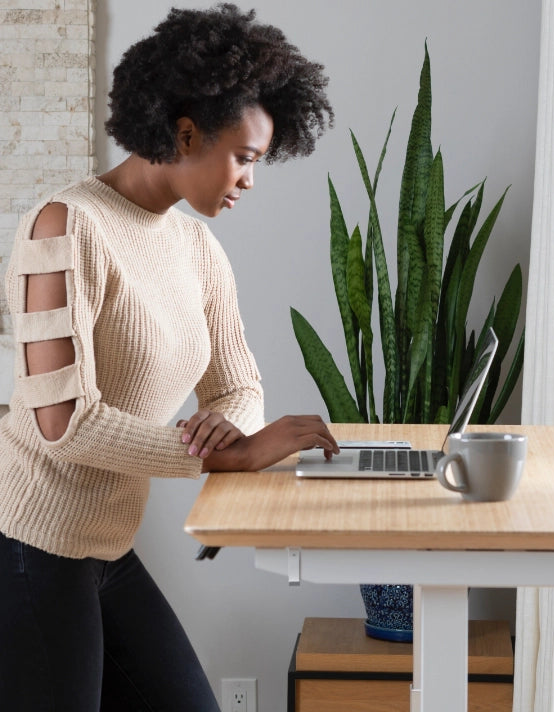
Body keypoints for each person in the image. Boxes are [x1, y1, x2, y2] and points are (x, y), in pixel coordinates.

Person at [0, 4, 339, 710]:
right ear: (185, 132)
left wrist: (231, 427)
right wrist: (222, 455)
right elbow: (63, 423)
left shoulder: (194, 247)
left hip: (108, 545)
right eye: (244, 158)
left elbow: (238, 380)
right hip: (33, 551)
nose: (250, 178)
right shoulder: (64, 226)